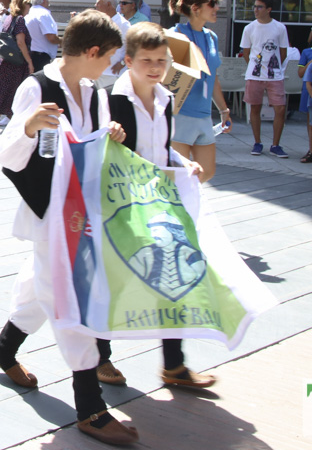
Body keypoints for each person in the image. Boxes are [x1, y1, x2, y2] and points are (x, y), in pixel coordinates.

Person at [0, 10, 135, 446]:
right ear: (91, 52)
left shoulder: (94, 92)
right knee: (70, 297)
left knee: (42, 286)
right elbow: (7, 153)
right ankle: (89, 405)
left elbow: (92, 147)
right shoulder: (37, 87)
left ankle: (5, 348)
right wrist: (30, 127)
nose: (112, 66)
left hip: (83, 210)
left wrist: (113, 133)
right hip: (49, 210)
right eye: (110, 57)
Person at [97, 22, 212, 395]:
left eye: (161, 60)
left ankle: (174, 364)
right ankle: (99, 355)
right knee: (116, 279)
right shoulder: (113, 101)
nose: (154, 67)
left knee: (174, 274)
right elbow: (104, 152)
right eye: (146, 60)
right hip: (123, 203)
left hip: (158, 200)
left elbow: (160, 149)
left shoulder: (164, 98)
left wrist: (183, 162)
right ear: (128, 61)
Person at [168, 0, 231, 182]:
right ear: (195, 8)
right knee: (179, 176)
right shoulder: (176, 34)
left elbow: (213, 77)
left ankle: (185, 203)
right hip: (179, 116)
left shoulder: (212, 37)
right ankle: (179, 208)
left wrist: (223, 109)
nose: (216, 8)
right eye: (212, 3)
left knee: (207, 171)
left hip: (204, 116)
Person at [241, 0, 291, 158]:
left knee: (280, 108)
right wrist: (255, 66)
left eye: (259, 7)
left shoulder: (279, 27)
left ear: (269, 9)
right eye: (254, 6)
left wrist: (274, 67)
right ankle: (257, 142)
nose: (255, 10)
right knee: (254, 107)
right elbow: (246, 52)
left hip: (274, 76)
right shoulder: (249, 28)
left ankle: (276, 144)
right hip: (255, 75)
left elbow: (283, 52)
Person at [0, 0, 33, 139]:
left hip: (5, 62)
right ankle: (10, 129)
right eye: (29, 4)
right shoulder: (19, 21)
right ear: (23, 4)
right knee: (12, 96)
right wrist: (30, 62)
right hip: (15, 65)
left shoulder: (9, 18)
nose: (30, 7)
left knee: (6, 96)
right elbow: (20, 42)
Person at [91, 0, 129, 90]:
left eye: (98, 3)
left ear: (108, 4)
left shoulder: (123, 24)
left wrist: (122, 64)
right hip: (97, 73)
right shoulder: (100, 22)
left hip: (112, 75)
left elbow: (133, 48)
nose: (96, 5)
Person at [25, 0, 61, 72]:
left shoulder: (29, 13)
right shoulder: (44, 14)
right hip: (41, 58)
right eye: (48, 0)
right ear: (44, 0)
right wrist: (62, 41)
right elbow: (51, 38)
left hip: (30, 55)